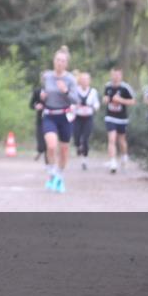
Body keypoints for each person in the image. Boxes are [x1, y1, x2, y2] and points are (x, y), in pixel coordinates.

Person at [40, 46, 79, 193]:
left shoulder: (70, 79)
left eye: (63, 61)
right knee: (51, 146)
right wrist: (42, 97)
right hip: (50, 114)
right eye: (57, 60)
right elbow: (42, 92)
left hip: (65, 116)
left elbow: (75, 99)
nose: (60, 63)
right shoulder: (47, 76)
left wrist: (66, 91)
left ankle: (60, 177)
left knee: (64, 150)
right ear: (53, 61)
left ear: (66, 64)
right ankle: (52, 173)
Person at [102, 67, 136, 173]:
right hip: (110, 117)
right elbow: (105, 99)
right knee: (111, 139)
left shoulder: (125, 88)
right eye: (113, 74)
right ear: (111, 75)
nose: (115, 77)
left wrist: (120, 100)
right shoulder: (107, 86)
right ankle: (113, 162)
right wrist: (105, 100)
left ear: (121, 76)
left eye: (117, 75)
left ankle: (124, 156)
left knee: (121, 140)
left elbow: (133, 101)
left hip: (122, 118)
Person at [72, 72, 100, 170]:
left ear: (89, 81)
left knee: (85, 138)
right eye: (82, 79)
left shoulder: (93, 92)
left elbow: (96, 103)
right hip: (77, 118)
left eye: (86, 79)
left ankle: (85, 159)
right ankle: (78, 146)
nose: (84, 82)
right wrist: (75, 106)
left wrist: (94, 107)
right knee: (76, 137)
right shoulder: (75, 91)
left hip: (88, 117)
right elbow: (70, 103)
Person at [29, 86, 48, 162]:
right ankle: (40, 150)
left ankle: (48, 161)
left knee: (49, 140)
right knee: (40, 138)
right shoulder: (37, 91)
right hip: (40, 119)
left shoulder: (55, 91)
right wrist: (36, 106)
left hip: (53, 118)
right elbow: (31, 105)